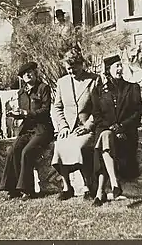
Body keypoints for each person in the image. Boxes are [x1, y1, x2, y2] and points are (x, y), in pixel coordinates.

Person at [91, 54, 142, 206]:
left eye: (121, 66)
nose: (120, 69)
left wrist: (121, 127)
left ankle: (100, 193)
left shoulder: (132, 88)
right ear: (108, 70)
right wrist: (113, 127)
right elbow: (97, 115)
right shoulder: (99, 91)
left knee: (103, 147)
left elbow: (137, 112)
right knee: (106, 136)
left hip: (125, 133)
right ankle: (114, 184)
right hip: (106, 129)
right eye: (116, 66)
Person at [0, 62, 54, 200]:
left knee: (26, 152)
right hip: (27, 130)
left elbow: (45, 111)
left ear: (35, 73)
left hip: (43, 129)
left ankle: (27, 190)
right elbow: (23, 113)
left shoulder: (43, 88)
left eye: (30, 72)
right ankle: (12, 188)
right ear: (22, 78)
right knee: (13, 150)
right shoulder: (21, 92)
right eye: (24, 74)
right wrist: (16, 114)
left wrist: (26, 113)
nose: (27, 75)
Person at [51, 47, 98, 200]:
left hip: (87, 128)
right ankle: (67, 187)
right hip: (69, 129)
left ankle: (87, 186)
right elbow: (57, 107)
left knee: (79, 147)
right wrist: (63, 126)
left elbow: (100, 108)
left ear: (81, 64)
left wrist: (87, 126)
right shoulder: (62, 82)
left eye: (74, 68)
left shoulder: (93, 80)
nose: (71, 72)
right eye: (68, 69)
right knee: (60, 146)